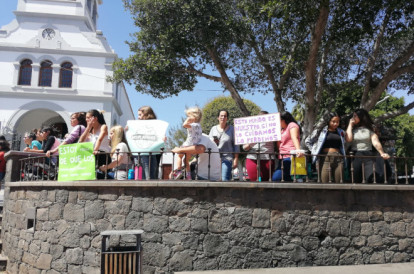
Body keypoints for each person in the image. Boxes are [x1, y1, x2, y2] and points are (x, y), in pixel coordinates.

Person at [346, 108, 390, 183]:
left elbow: (376, 142)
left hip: (368, 155)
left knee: (370, 177)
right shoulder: (352, 130)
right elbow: (348, 139)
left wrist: (382, 153)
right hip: (355, 155)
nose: (353, 118)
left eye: (355, 116)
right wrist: (350, 125)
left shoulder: (370, 130)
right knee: (355, 178)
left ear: (361, 117)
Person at [305, 112, 346, 183]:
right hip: (325, 158)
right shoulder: (321, 131)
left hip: (338, 158)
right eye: (333, 121)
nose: (336, 124)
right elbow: (308, 141)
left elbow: (345, 144)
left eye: (337, 122)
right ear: (328, 121)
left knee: (339, 182)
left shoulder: (341, 132)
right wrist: (314, 151)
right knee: (324, 182)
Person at [243, 111, 275, 182]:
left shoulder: (273, 129)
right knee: (254, 182)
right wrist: (254, 140)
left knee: (266, 183)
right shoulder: (250, 130)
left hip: (268, 159)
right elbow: (245, 148)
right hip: (252, 159)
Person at [272, 111, 303, 181]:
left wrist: (298, 150)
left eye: (278, 121)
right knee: (286, 178)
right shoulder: (281, 130)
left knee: (276, 178)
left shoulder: (292, 125)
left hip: (290, 156)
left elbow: (294, 137)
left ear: (283, 120)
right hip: (282, 157)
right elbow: (279, 144)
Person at [209, 110, 239, 181]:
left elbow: (236, 145)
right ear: (218, 117)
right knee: (214, 180)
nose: (223, 117)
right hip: (215, 158)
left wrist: (236, 159)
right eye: (221, 116)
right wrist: (214, 142)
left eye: (225, 116)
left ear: (227, 118)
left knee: (225, 179)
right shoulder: (213, 129)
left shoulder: (232, 129)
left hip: (227, 158)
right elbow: (209, 143)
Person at [173, 107, 202, 180]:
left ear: (194, 117)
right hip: (194, 146)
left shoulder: (194, 125)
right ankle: (188, 175)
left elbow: (184, 125)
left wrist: (188, 120)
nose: (188, 117)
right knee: (186, 160)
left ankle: (179, 170)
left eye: (189, 116)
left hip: (187, 145)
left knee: (179, 156)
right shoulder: (199, 126)